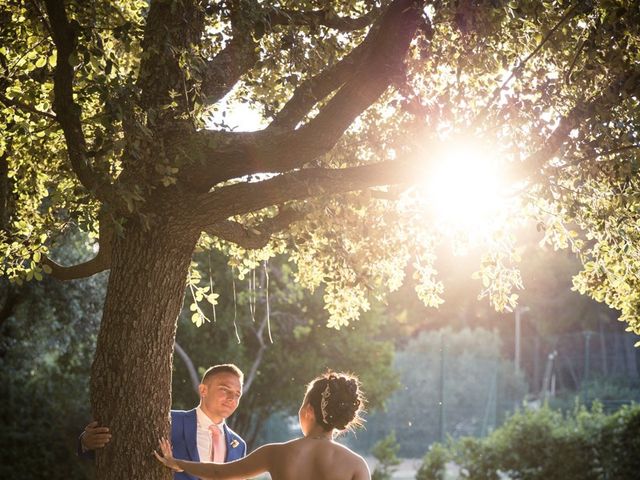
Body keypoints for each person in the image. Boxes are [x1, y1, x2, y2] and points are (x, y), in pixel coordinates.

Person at [155, 371, 370, 480]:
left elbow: (218, 473)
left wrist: (179, 463)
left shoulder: (276, 453)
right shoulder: (357, 465)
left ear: (309, 411)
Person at [80, 364, 247, 480]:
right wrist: (86, 442)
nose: (232, 398)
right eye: (224, 389)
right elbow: (123, 447)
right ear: (203, 390)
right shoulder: (168, 420)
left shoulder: (239, 445)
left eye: (237, 394)